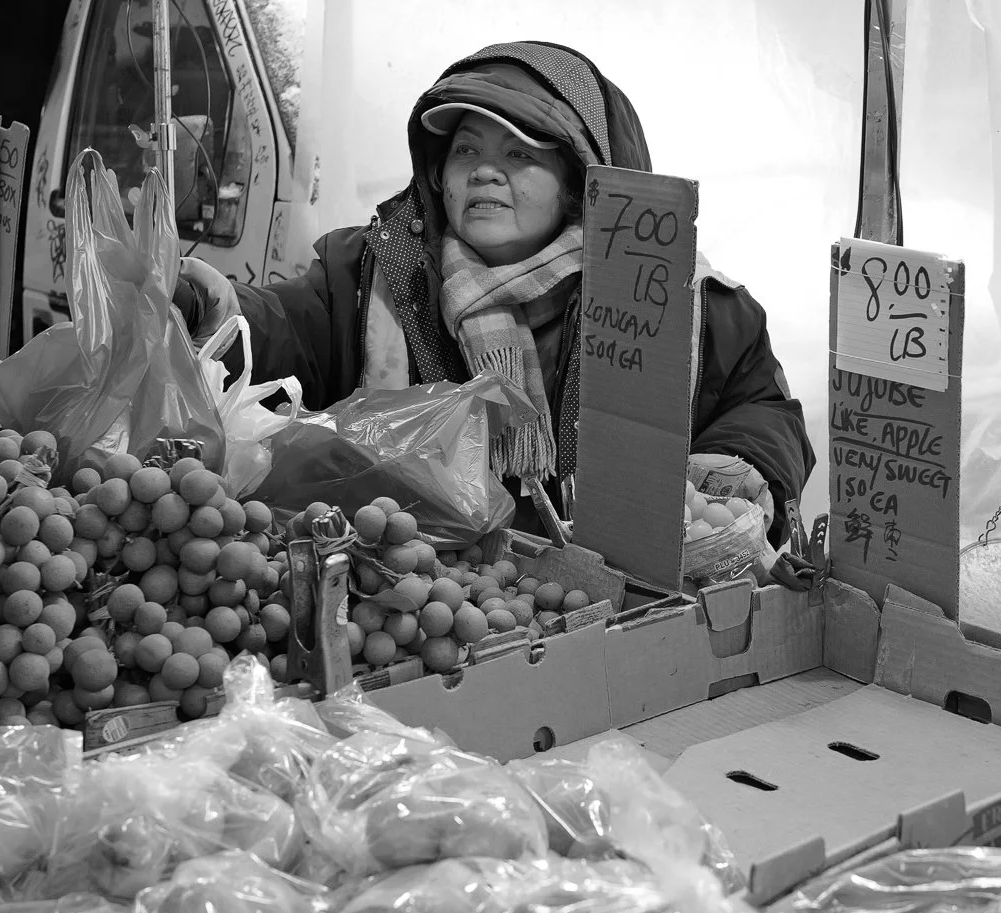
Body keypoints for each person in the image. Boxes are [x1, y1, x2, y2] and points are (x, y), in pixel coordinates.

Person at [177, 42, 812, 543]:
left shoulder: (678, 295)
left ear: (580, 181)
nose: (485, 169)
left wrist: (738, 466)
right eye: (467, 150)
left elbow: (761, 407)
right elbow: (290, 325)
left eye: (520, 153)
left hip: (623, 603)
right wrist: (222, 312)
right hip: (424, 592)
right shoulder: (373, 270)